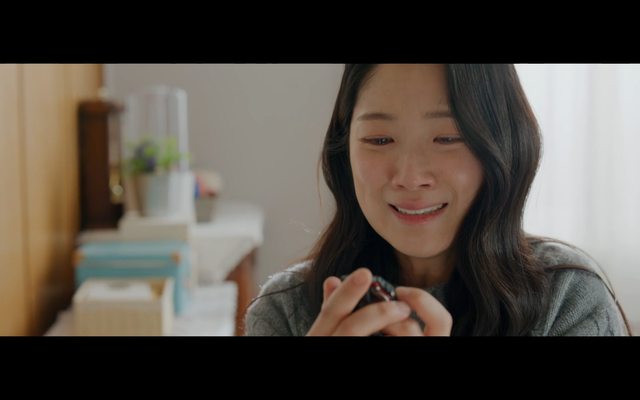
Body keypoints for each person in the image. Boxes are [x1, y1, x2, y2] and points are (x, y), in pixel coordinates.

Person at [245, 64, 630, 336]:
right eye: (379, 139)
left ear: (504, 145)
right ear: (344, 151)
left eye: (447, 138)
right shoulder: (285, 313)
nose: (410, 177)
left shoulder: (569, 301)